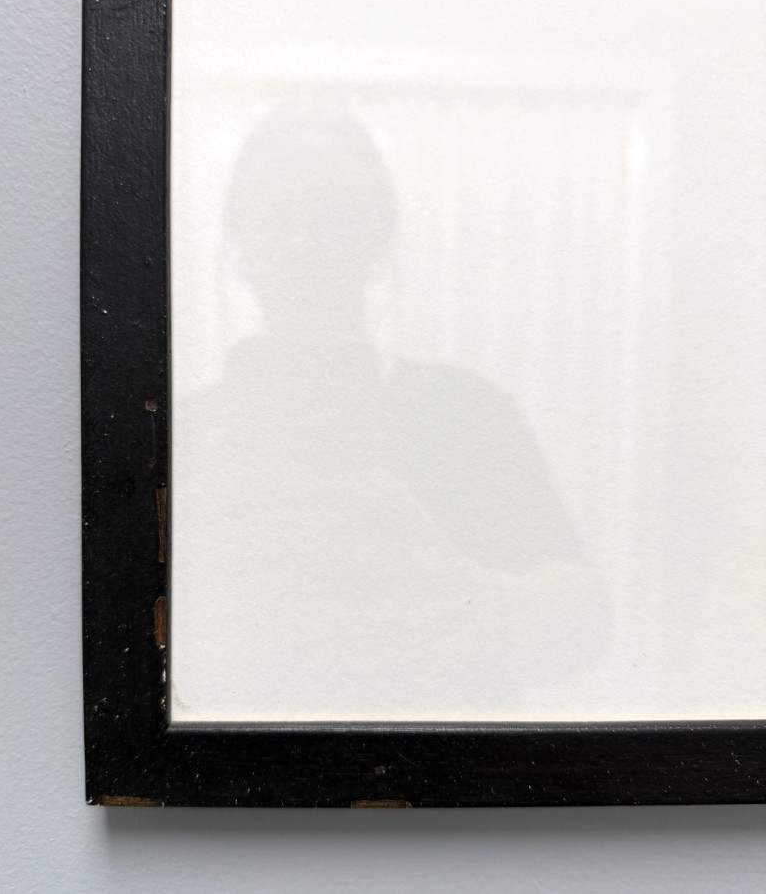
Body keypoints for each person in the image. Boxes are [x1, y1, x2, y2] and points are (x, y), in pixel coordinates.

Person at [174, 106, 609, 720]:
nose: (301, 242)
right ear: (239, 242)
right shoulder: (186, 433)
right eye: (272, 214)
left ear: (377, 234)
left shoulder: (465, 414)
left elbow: (584, 624)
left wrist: (452, 587)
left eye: (332, 213)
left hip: (436, 759)